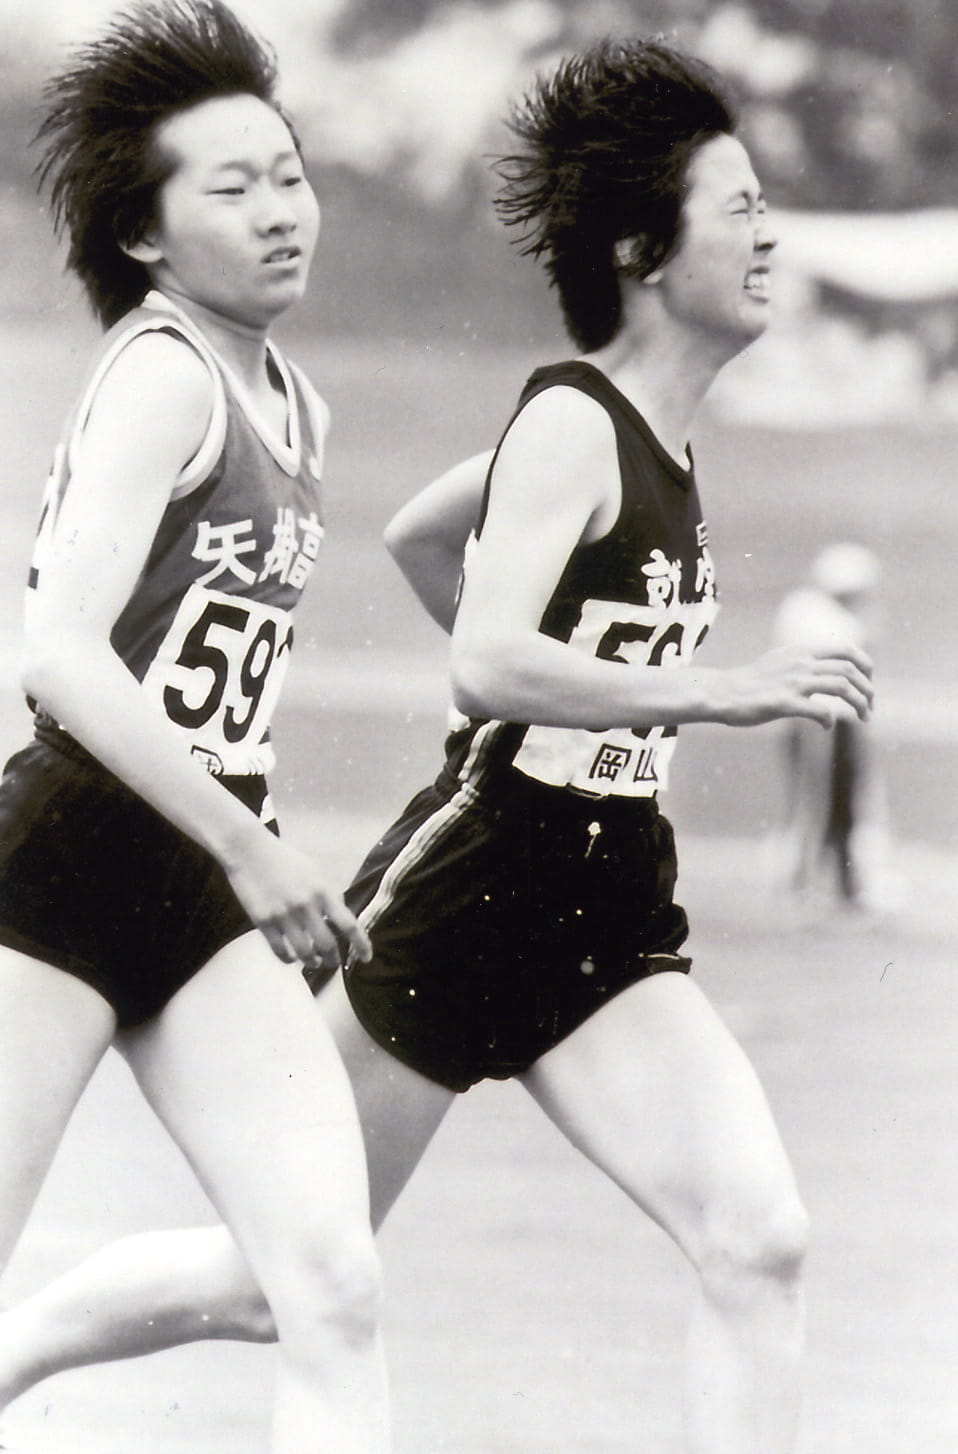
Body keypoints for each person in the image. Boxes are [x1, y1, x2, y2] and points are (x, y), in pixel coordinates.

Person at [0, 37, 873, 1454]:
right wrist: (700, 692)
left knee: (691, 1238)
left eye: (291, 175)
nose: (285, 207)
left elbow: (426, 550)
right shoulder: (533, 415)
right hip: (310, 872)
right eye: (743, 208)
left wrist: (548, 692)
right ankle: (20, 1346)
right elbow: (471, 658)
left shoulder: (386, 407)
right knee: (282, 1278)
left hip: (500, 881)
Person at [0, 2, 391, 1449]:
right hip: (65, 860)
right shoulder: (163, 372)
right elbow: (61, 658)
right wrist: (254, 846)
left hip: (205, 879)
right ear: (148, 234)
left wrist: (238, 845)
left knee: (328, 1280)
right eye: (231, 187)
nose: (281, 210)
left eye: (286, 172)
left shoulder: (299, 402)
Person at [771, 543, 897, 912]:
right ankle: (812, 887)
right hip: (823, 723)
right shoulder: (828, 617)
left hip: (816, 721)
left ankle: (830, 886)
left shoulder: (802, 609)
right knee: (824, 803)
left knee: (830, 805)